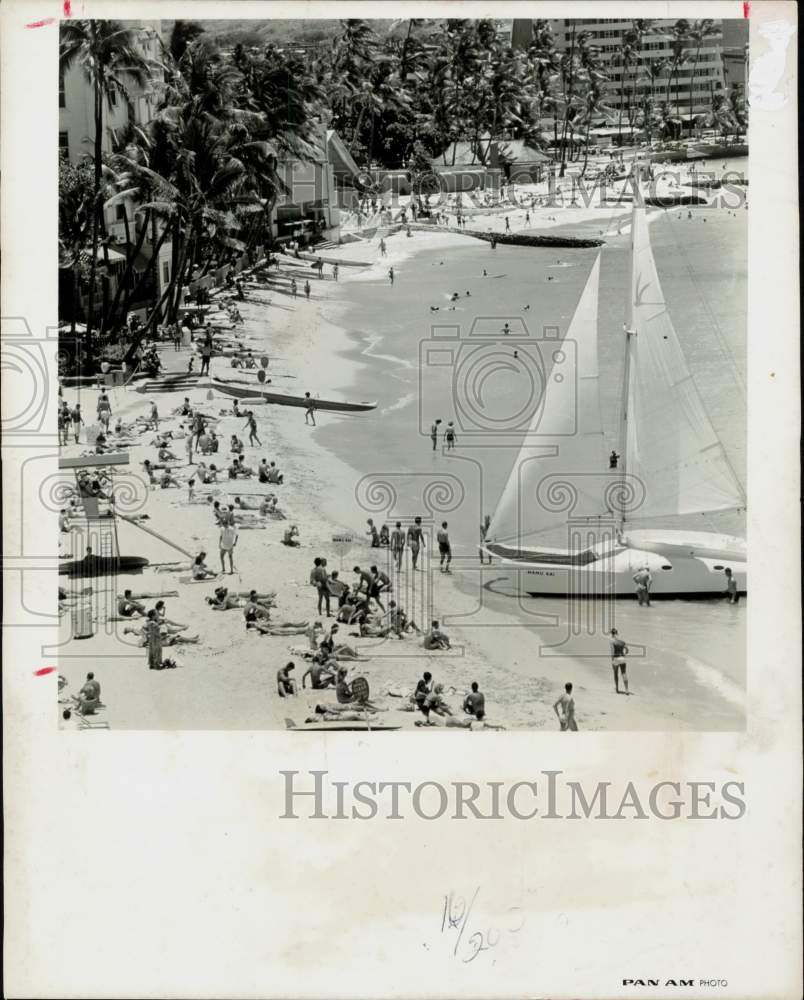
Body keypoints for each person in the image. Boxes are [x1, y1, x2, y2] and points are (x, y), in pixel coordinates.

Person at [609, 628, 630, 695]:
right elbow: (627, 650)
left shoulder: (612, 641)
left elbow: (612, 652)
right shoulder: (622, 640)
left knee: (615, 674)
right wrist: (624, 655)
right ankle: (626, 690)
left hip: (616, 658)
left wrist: (612, 660)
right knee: (624, 673)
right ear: (617, 633)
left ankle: (617, 689)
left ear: (612, 634)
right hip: (622, 658)